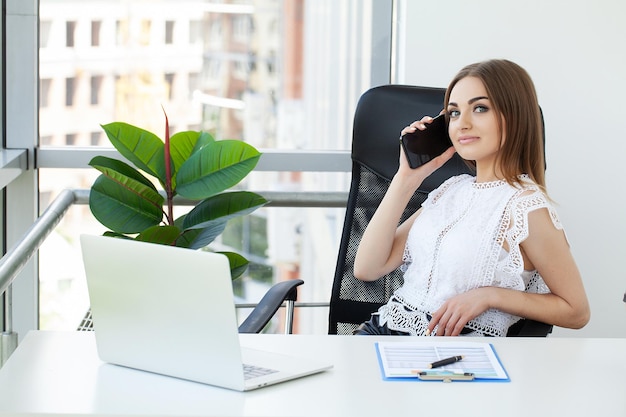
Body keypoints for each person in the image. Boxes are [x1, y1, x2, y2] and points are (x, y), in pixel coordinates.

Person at [353, 59, 590, 337]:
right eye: (453, 113)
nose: (462, 124)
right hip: (382, 332)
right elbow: (367, 268)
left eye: (479, 108)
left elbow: (576, 311)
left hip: (451, 356)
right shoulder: (450, 189)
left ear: (514, 116)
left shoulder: (526, 206)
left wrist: (490, 296)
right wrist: (407, 178)